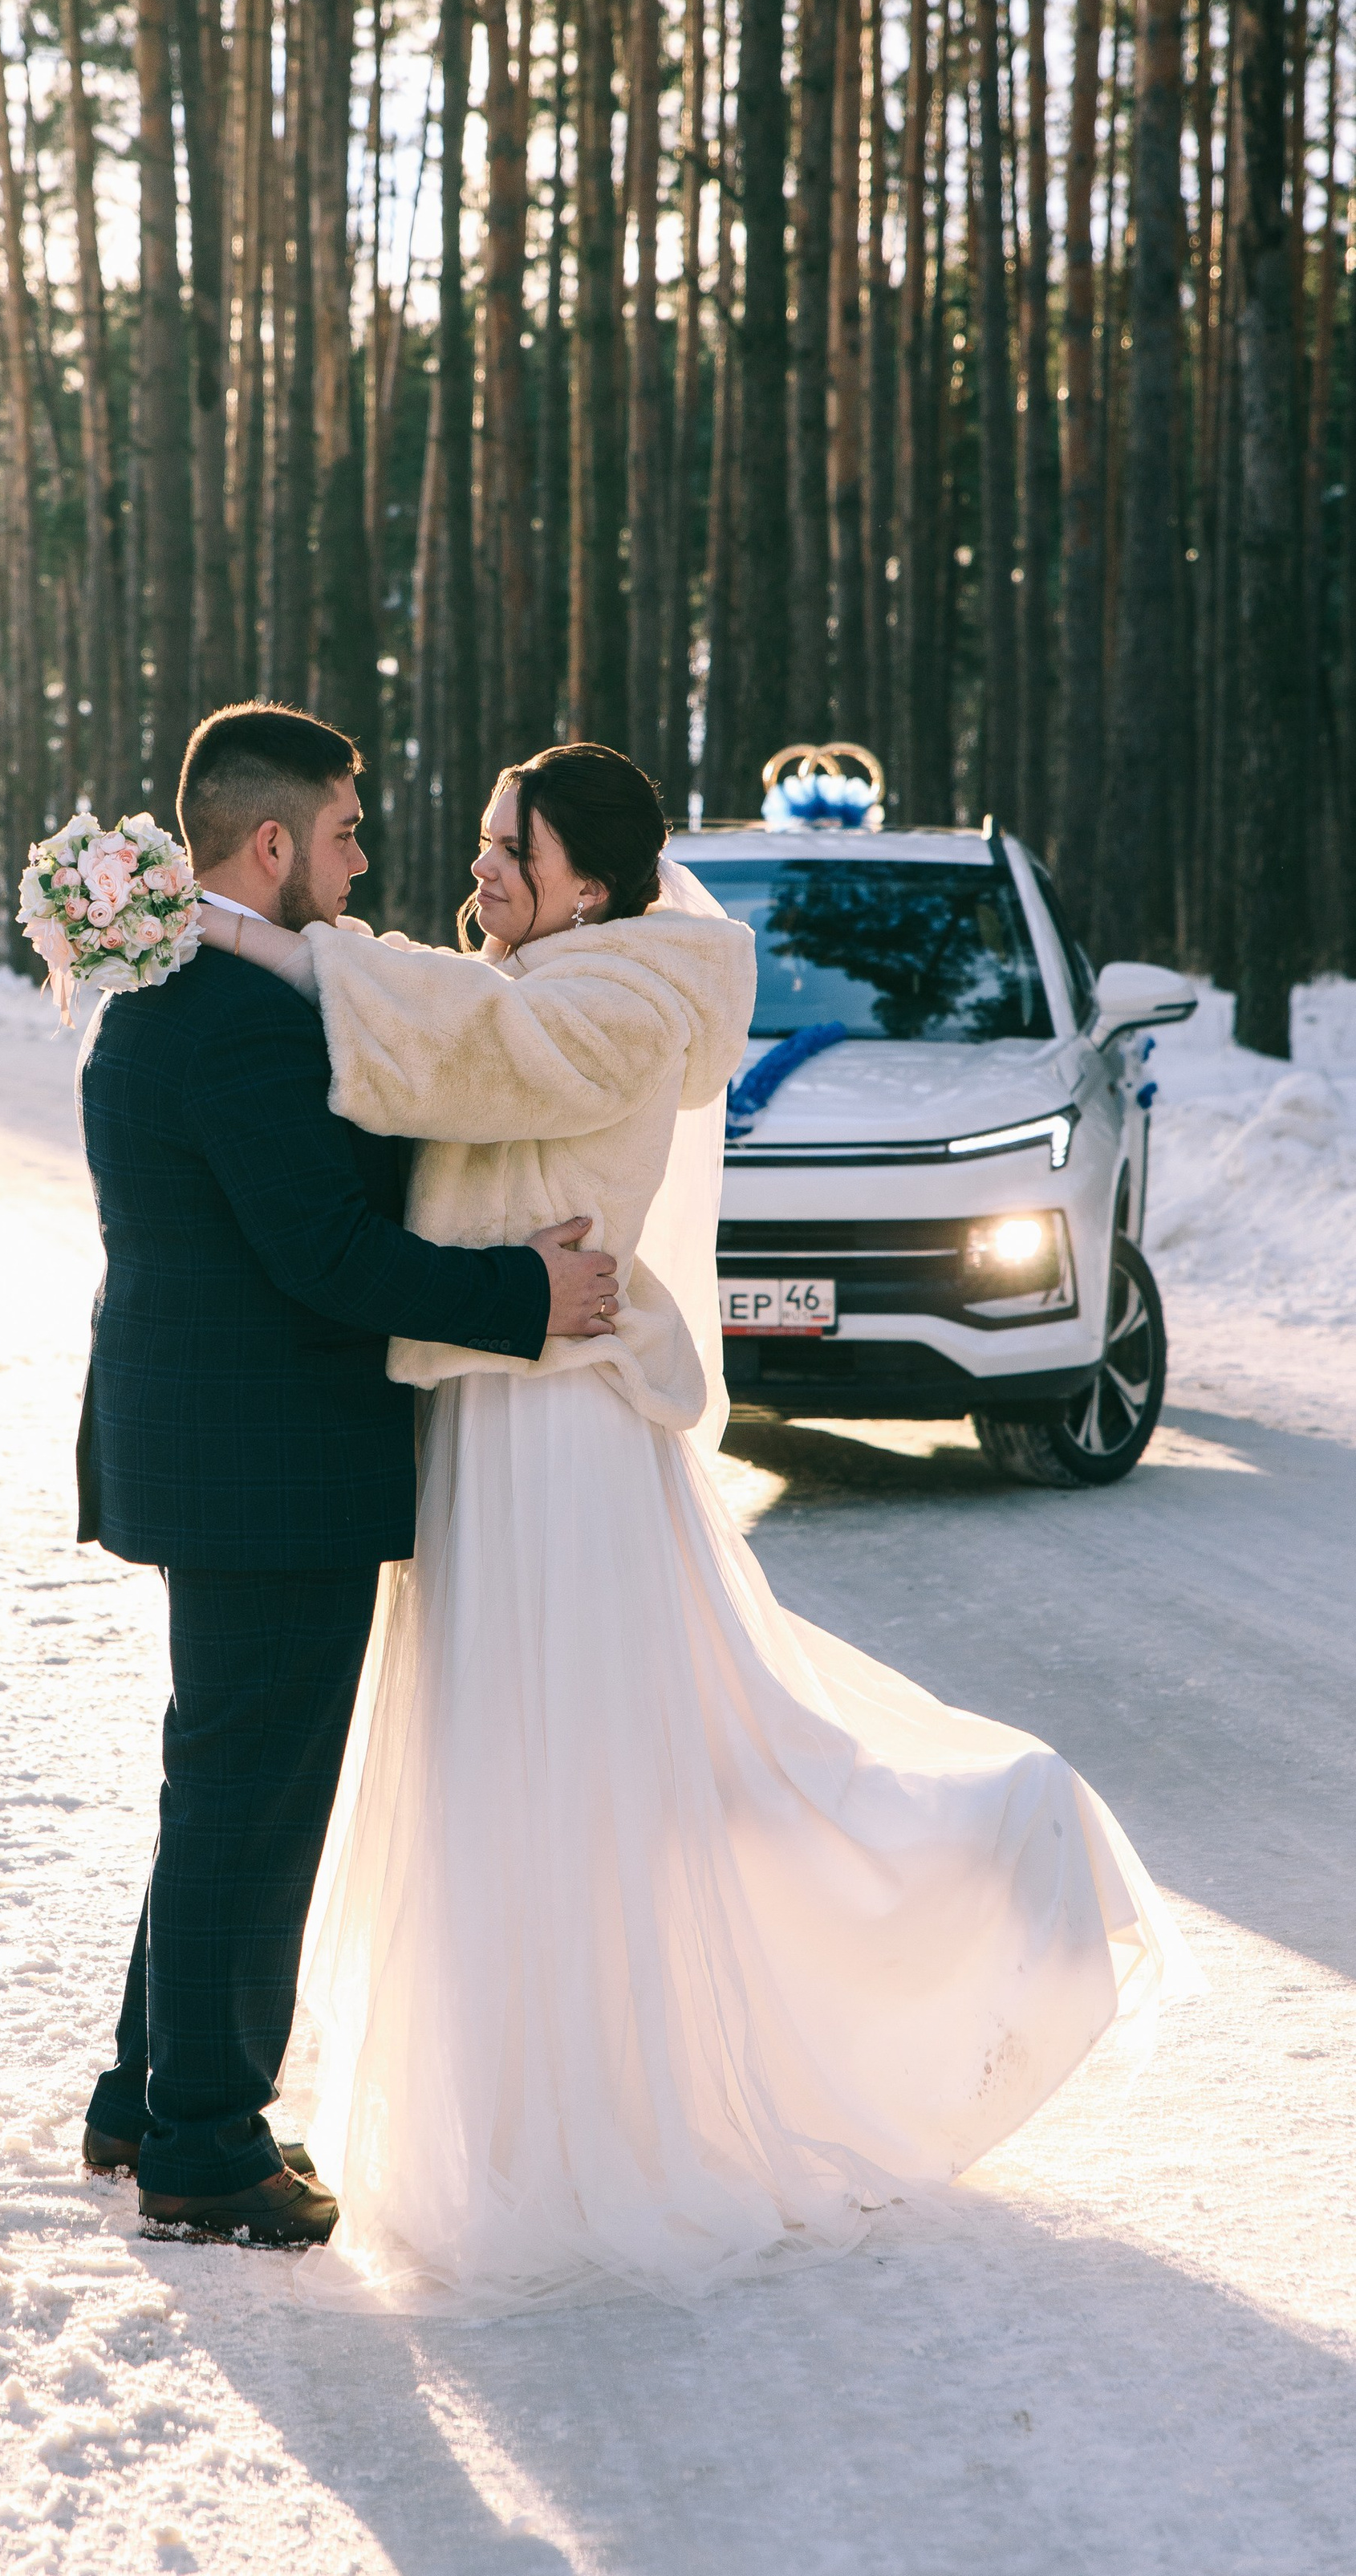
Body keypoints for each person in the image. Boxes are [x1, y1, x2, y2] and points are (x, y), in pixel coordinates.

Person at [203, 739, 1198, 2309]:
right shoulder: (557, 972)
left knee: (586, 1762)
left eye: (502, 852)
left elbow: (461, 1049)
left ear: (584, 882)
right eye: (479, 845)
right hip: (495, 1397)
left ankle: (985, 1863)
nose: (474, 873)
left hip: (560, 1430)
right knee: (507, 1761)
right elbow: (445, 1011)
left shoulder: (628, 989)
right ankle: (524, 2100)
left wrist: (254, 934)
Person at [75, 701, 620, 2245]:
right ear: (271, 845)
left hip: (223, 1452)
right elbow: (325, 1253)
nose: (365, 859)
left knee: (219, 1792)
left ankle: (144, 2096)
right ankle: (207, 2145)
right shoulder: (238, 1018)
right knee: (253, 1808)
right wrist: (526, 1294)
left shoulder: (180, 979)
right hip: (269, 1469)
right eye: (343, 834)